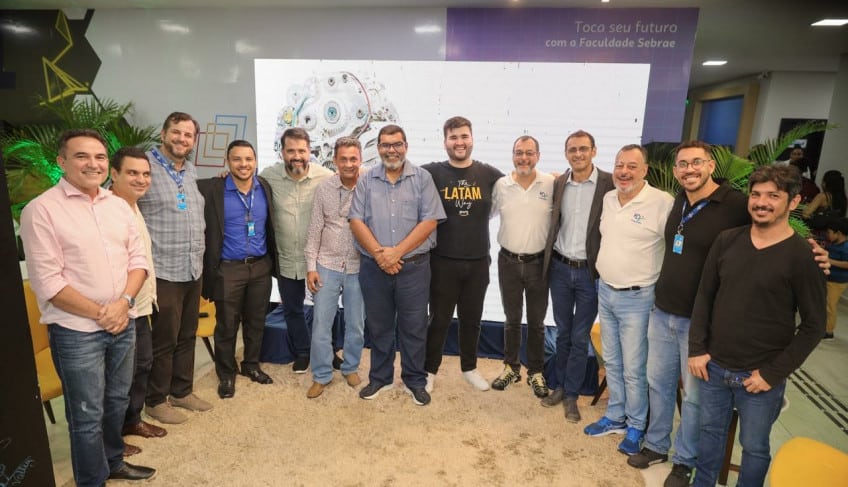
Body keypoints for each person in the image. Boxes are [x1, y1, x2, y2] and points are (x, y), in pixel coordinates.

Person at [20, 129, 155, 485]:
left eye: (99, 157)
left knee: (117, 402)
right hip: (77, 332)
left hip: (123, 321)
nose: (92, 164)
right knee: (86, 415)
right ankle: (92, 480)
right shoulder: (41, 210)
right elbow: (48, 283)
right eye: (81, 156)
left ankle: (113, 462)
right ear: (61, 162)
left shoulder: (117, 206)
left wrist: (124, 304)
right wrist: (103, 313)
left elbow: (138, 261)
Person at [688, 164, 825, 487]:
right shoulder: (726, 241)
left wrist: (772, 374)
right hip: (714, 367)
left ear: (793, 202)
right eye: (756, 194)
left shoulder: (803, 256)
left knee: (755, 448)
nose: (762, 202)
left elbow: (814, 325)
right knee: (709, 435)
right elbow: (704, 297)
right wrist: (697, 349)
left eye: (773, 196)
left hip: (760, 376)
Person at [625, 141, 749, 485]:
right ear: (675, 170)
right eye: (682, 164)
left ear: (711, 166)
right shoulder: (679, 200)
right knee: (658, 385)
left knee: (694, 398)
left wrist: (809, 249)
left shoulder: (735, 204)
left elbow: (772, 229)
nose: (689, 169)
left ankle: (684, 460)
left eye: (696, 162)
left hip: (700, 321)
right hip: (663, 311)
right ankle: (656, 445)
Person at [584, 144, 674, 456]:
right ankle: (615, 416)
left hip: (639, 297)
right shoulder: (609, 198)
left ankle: (637, 425)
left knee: (634, 367)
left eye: (632, 166)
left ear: (645, 170)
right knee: (612, 360)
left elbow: (676, 250)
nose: (624, 172)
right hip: (606, 291)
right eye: (620, 165)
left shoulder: (662, 202)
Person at [349, 124, 446, 406]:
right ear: (378, 148)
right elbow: (356, 220)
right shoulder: (366, 180)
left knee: (414, 327)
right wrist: (381, 255)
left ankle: (415, 380)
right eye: (385, 145)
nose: (391, 150)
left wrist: (396, 254)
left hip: (414, 268)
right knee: (379, 326)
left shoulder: (423, 178)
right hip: (374, 268)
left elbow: (429, 221)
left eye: (397, 144)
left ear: (406, 146)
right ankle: (380, 378)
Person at [140, 111, 211, 424]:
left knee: (187, 334)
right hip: (163, 270)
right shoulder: (144, 168)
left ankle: (182, 391)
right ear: (163, 133)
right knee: (164, 339)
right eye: (177, 132)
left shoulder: (191, 171)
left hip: (192, 267)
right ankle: (155, 400)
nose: (182, 139)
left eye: (188, 135)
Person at [422, 116, 503, 393]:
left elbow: (519, 185)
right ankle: (429, 370)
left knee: (472, 320)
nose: (459, 142)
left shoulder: (490, 174)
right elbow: (399, 173)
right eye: (453, 137)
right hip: (442, 261)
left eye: (464, 136)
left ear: (472, 139)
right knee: (438, 320)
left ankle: (469, 368)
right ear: (445, 141)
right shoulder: (431, 172)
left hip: (478, 262)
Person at [542, 129, 614, 422]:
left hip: (589, 273)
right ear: (566, 154)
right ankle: (559, 386)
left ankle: (572, 395)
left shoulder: (610, 183)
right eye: (572, 149)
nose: (578, 154)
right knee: (562, 332)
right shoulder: (559, 183)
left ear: (594, 151)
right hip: (560, 269)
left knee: (579, 335)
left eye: (583, 148)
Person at [199, 140, 276, 399]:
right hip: (228, 269)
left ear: (256, 161)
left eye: (248, 159)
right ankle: (226, 373)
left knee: (256, 321)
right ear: (227, 162)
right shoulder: (213, 188)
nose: (244, 164)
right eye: (237, 159)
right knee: (227, 325)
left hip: (260, 267)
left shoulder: (264, 187)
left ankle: (251, 365)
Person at [109, 147, 168, 454]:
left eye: (146, 174)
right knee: (118, 378)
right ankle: (112, 438)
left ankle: (132, 420)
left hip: (142, 304)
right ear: (114, 174)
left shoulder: (133, 206)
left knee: (142, 365)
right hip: (119, 308)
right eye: (132, 173)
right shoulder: (107, 211)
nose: (141, 179)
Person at [260, 128, 333, 373]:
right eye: (291, 150)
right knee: (292, 309)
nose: (297, 156)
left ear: (310, 151)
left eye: (302, 150)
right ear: (282, 152)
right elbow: (245, 182)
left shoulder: (326, 177)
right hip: (286, 260)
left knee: (324, 311)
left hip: (318, 261)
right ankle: (303, 351)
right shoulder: (268, 176)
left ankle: (327, 352)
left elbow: (351, 179)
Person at [490, 135, 555, 398]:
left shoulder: (550, 183)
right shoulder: (501, 185)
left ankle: (536, 372)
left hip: (539, 263)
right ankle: (511, 368)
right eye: (519, 153)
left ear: (538, 156)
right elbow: (486, 214)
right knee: (512, 319)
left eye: (529, 153)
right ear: (513, 156)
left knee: (537, 322)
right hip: (508, 261)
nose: (524, 158)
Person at [304, 137, 367, 398]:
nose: (349, 164)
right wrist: (311, 267)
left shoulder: (370, 186)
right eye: (344, 159)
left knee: (356, 324)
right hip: (326, 265)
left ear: (360, 160)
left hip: (359, 266)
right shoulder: (324, 189)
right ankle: (321, 375)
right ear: (335, 161)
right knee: (321, 325)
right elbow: (314, 229)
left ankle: (350, 367)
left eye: (354, 159)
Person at [824, 217, 848, 339]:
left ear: (838, 233)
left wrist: (829, 260)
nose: (827, 234)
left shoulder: (846, 247)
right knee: (824, 303)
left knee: (830, 306)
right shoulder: (833, 244)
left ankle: (828, 331)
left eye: (829, 232)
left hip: (837, 282)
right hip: (829, 279)